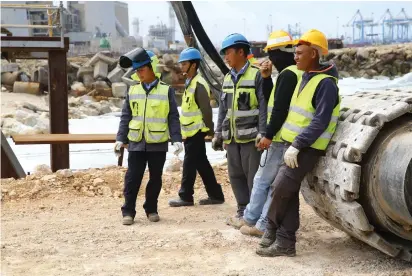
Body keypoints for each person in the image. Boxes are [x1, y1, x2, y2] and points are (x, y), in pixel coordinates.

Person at [256, 29, 341, 257]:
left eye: (300, 53)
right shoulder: (304, 77)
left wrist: (297, 144)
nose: (295, 57)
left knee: (279, 187)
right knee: (288, 192)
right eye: (294, 53)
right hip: (291, 145)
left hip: (306, 148)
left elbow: (320, 121)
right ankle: (285, 243)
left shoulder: (326, 84)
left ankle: (271, 230)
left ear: (313, 54)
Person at [235, 30, 303, 237]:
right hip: (286, 138)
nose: (270, 59)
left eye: (272, 53)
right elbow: (274, 100)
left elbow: (280, 110)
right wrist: (266, 79)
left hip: (281, 139)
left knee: (264, 182)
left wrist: (268, 135)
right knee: (270, 183)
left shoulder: (289, 74)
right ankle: (254, 219)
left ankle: (257, 222)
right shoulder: (291, 73)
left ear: (280, 52)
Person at [115, 48, 183, 225]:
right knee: (132, 177)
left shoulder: (166, 91)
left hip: (157, 142)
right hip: (136, 142)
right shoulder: (132, 91)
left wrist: (176, 139)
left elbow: (173, 117)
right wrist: (120, 139)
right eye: (136, 71)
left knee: (155, 178)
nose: (139, 74)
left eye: (142, 70)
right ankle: (128, 211)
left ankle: (151, 209)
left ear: (152, 68)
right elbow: (126, 117)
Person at [212, 33, 267, 226]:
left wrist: (263, 132)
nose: (226, 58)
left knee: (253, 178)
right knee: (235, 176)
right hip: (232, 139)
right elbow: (223, 110)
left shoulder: (257, 75)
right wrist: (218, 133)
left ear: (241, 52)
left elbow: (263, 106)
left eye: (228, 53)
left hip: (251, 139)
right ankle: (242, 210)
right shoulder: (227, 78)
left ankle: (255, 214)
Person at [168, 47, 225, 207]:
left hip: (197, 131)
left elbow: (206, 110)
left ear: (193, 65)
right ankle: (216, 195)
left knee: (189, 163)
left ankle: (185, 196)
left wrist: (210, 130)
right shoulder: (190, 82)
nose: (182, 66)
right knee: (201, 163)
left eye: (184, 63)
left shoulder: (199, 84)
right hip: (191, 131)